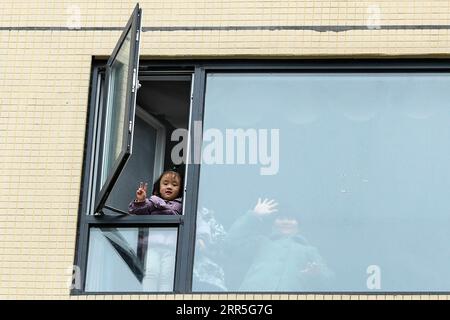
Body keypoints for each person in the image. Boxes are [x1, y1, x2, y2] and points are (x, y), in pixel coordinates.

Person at [224, 198, 333, 291]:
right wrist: (254, 215)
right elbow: (231, 241)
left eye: (290, 219)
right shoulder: (261, 242)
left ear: (298, 225)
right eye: (281, 218)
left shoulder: (309, 250)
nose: (285, 222)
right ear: (273, 224)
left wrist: (317, 274)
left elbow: (329, 281)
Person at [128, 170, 183, 291]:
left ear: (180, 189)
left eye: (174, 185)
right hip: (152, 246)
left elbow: (172, 213)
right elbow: (135, 211)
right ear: (159, 187)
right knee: (151, 273)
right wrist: (141, 200)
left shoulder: (181, 204)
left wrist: (158, 203)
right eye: (165, 183)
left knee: (166, 277)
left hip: (171, 248)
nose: (169, 186)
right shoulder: (152, 202)